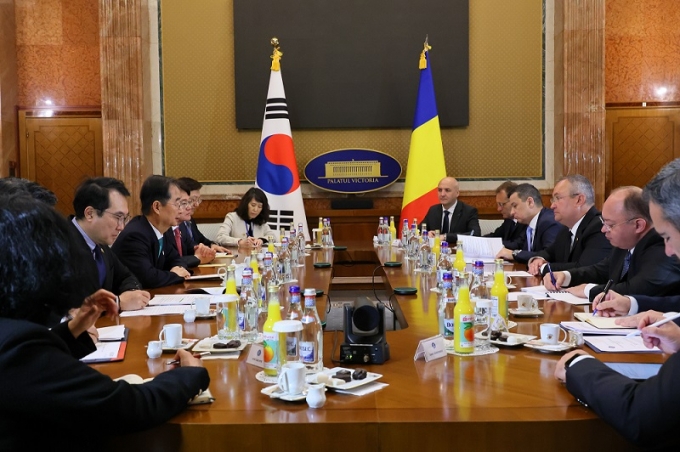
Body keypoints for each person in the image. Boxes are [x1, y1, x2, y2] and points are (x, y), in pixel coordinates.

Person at [0, 194, 209, 450]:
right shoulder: (19, 351)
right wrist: (190, 374)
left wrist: (71, 331)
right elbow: (129, 407)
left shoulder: (14, 338)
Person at [555, 159, 680, 448]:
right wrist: (640, 309)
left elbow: (641, 414)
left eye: (668, 237)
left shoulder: (656, 253)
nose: (669, 251)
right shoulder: (621, 247)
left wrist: (578, 364)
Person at [544, 186, 680, 301]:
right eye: (604, 223)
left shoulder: (663, 245)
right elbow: (601, 270)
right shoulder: (625, 243)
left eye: (610, 225)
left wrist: (587, 290)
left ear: (638, 225)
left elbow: (639, 289)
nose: (603, 230)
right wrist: (567, 276)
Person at [71, 177, 151, 311]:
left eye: (125, 218)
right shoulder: (60, 244)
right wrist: (117, 302)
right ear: (90, 214)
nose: (122, 227)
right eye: (117, 217)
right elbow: (72, 306)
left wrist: (132, 294)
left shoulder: (100, 243)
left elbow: (126, 276)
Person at [112, 175, 191, 288]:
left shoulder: (163, 230)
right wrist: (175, 275)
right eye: (177, 204)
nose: (181, 209)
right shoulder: (135, 235)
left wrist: (177, 268)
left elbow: (177, 259)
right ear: (157, 207)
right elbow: (148, 278)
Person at [527, 175, 611, 276]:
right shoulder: (566, 229)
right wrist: (538, 259)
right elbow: (549, 252)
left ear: (579, 200)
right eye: (552, 200)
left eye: (558, 198)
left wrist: (544, 268)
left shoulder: (599, 227)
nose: (552, 206)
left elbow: (585, 268)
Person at [496, 183, 564, 264]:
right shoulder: (529, 225)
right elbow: (517, 245)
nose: (512, 212)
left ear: (530, 202)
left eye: (515, 206)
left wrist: (514, 254)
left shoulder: (549, 222)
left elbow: (548, 256)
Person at [163, 180, 215, 268]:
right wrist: (197, 257)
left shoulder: (181, 226)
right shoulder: (162, 229)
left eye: (188, 202)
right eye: (183, 203)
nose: (189, 207)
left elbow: (192, 247)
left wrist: (201, 249)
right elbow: (170, 262)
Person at [176, 177, 230, 253]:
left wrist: (212, 245)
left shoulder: (189, 220)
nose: (197, 204)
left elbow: (201, 239)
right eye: (192, 200)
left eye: (198, 200)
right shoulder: (175, 224)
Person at [424, 177, 481, 242]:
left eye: (447, 190)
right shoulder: (433, 210)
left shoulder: (469, 211)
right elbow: (419, 229)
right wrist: (426, 233)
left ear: (457, 193)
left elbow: (475, 234)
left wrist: (446, 237)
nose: (442, 194)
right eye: (440, 190)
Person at [483, 181, 527, 249]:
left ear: (513, 201)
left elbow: (517, 244)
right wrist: (476, 240)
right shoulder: (509, 220)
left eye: (501, 204)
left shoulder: (526, 220)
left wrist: (493, 243)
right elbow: (495, 236)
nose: (498, 209)